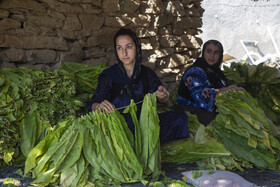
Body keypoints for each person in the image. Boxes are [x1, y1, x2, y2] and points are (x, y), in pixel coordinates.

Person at [88, 28, 189, 144]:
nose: (124, 53)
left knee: (179, 117)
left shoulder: (146, 73)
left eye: (129, 47)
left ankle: (143, 140)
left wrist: (163, 95)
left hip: (145, 124)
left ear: (137, 47)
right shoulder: (109, 76)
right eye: (119, 48)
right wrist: (99, 106)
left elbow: (162, 95)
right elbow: (93, 103)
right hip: (119, 127)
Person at [176, 40, 244, 126]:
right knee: (225, 125)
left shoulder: (216, 72)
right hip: (189, 113)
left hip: (207, 111)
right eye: (208, 51)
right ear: (203, 53)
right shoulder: (195, 72)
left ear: (220, 56)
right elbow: (202, 100)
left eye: (216, 53)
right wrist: (227, 89)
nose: (212, 56)